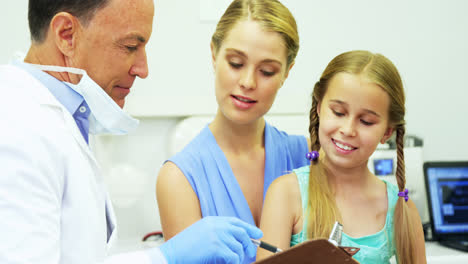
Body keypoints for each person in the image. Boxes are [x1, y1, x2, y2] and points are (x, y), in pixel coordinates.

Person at [0, 0, 262, 263]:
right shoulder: (17, 130)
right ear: (66, 34)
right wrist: (163, 258)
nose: (142, 69)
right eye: (130, 47)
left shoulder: (62, 117)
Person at [156, 0, 309, 263]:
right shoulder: (179, 179)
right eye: (236, 63)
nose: (248, 82)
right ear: (214, 54)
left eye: (267, 71)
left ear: (287, 72)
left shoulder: (307, 156)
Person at [257, 50, 427, 263]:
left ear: (387, 132)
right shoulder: (286, 193)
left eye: (366, 121)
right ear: (319, 108)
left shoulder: (402, 209)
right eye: (338, 112)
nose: (348, 130)